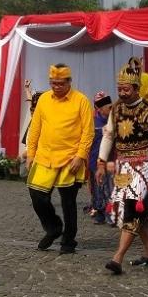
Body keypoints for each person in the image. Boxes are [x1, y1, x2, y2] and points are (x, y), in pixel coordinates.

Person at [96, 57, 148, 275]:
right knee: (125, 209)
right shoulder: (115, 110)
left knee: (133, 207)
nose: (122, 93)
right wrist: (101, 163)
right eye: (119, 89)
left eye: (125, 89)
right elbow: (109, 135)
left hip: (145, 165)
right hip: (123, 166)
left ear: (135, 88)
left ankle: (118, 257)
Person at [26, 63, 94, 254]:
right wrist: (31, 154)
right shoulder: (44, 99)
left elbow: (88, 133)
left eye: (60, 83)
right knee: (37, 195)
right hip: (45, 156)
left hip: (70, 158)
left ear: (69, 82)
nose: (56, 87)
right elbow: (35, 128)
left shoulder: (81, 100)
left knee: (68, 201)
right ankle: (54, 227)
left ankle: (69, 240)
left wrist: (80, 156)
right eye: (53, 83)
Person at [89, 91, 113, 225]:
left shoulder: (113, 120)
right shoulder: (93, 122)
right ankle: (99, 212)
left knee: (110, 189)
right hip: (94, 161)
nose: (111, 109)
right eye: (108, 107)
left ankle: (111, 213)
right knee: (97, 189)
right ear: (100, 108)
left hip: (110, 162)